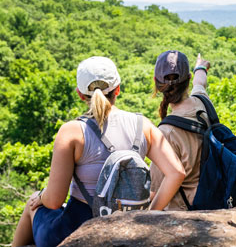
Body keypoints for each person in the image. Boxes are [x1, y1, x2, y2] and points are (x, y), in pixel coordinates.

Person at [11, 56, 185, 247]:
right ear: (117, 89)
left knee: (32, 203)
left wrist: (40, 196)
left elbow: (53, 201)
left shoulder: (72, 131)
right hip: (127, 228)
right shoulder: (142, 125)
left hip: (75, 229)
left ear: (80, 94)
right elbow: (176, 172)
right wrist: (148, 214)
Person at [149, 51, 211, 210]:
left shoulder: (165, 133)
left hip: (183, 214)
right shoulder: (202, 103)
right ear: (188, 79)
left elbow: (154, 193)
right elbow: (200, 83)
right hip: (213, 199)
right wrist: (201, 68)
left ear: (157, 83)